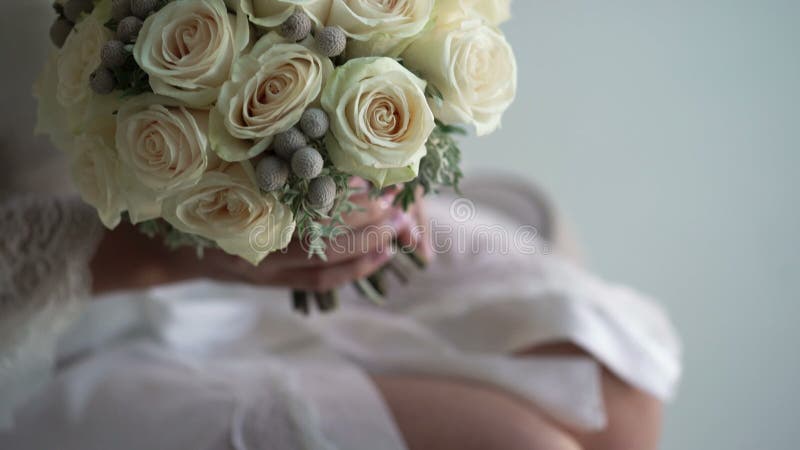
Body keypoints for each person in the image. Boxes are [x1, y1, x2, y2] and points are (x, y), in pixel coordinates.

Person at [0, 175, 680, 450]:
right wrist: (203, 246)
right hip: (80, 308)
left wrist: (395, 162)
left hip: (314, 192)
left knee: (624, 385)